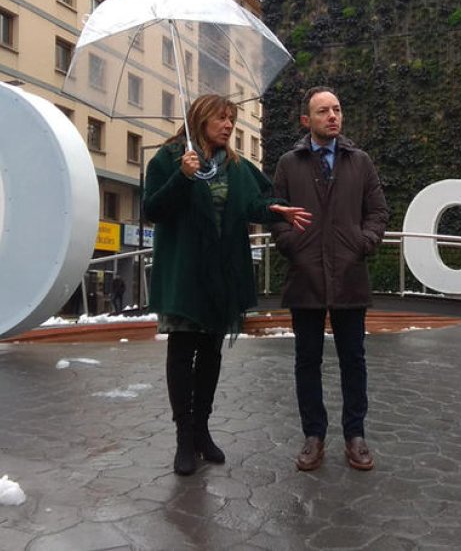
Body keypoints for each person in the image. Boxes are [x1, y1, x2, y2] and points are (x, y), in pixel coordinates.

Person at [144, 93, 311, 476]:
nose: (228, 126)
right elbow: (152, 209)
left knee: (211, 354)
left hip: (222, 274)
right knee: (183, 353)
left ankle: (202, 429)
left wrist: (274, 210)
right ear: (200, 119)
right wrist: (181, 177)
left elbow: (253, 203)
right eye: (221, 118)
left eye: (231, 120)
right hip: (185, 273)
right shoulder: (169, 159)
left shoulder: (235, 165)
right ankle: (184, 437)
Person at [271, 86, 389, 472]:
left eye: (337, 109)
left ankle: (355, 435)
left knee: (353, 359)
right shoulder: (290, 163)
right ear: (307, 121)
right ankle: (314, 435)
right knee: (307, 361)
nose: (333, 116)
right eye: (323, 111)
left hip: (349, 274)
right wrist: (295, 248)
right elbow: (277, 216)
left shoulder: (360, 162)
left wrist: (363, 243)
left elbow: (377, 211)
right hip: (305, 276)